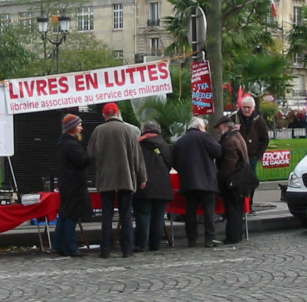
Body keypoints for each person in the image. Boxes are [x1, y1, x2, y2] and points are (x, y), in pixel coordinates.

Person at [87, 102, 147, 258]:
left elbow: (90, 152)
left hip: (106, 178)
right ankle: (127, 249)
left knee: (106, 214)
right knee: (126, 214)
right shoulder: (129, 130)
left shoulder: (98, 130)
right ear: (118, 113)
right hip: (125, 177)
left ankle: (105, 249)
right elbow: (137, 157)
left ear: (104, 115)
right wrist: (142, 177)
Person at [170, 116, 221, 248]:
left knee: (190, 211)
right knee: (209, 211)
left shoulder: (180, 142)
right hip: (207, 181)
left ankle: (192, 239)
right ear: (199, 127)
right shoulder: (205, 137)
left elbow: (173, 161)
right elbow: (218, 151)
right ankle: (210, 238)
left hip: (188, 182)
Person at [53, 114, 91, 257]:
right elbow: (82, 162)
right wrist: (90, 155)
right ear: (73, 128)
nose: (81, 128)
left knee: (64, 215)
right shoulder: (72, 145)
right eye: (79, 125)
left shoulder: (64, 143)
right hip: (74, 185)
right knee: (72, 216)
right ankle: (70, 247)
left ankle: (58, 245)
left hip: (67, 184)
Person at [133, 120, 173, 252]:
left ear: (143, 130)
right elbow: (169, 163)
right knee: (158, 216)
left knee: (143, 215)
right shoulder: (164, 144)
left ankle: (141, 244)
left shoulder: (138, 144)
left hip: (143, 185)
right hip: (162, 186)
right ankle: (155, 244)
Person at [214, 115, 248, 245]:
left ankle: (233, 236)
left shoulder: (229, 141)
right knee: (236, 209)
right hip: (239, 178)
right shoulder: (237, 137)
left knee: (232, 209)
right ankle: (236, 235)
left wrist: (221, 179)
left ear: (227, 126)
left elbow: (229, 163)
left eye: (219, 127)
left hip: (232, 180)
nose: (218, 130)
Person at [234, 95, 270, 173]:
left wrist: (257, 155)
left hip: (252, 157)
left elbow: (265, 139)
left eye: (249, 107)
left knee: (250, 181)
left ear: (253, 108)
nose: (246, 109)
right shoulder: (234, 118)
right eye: (244, 107)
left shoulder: (259, 121)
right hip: (236, 156)